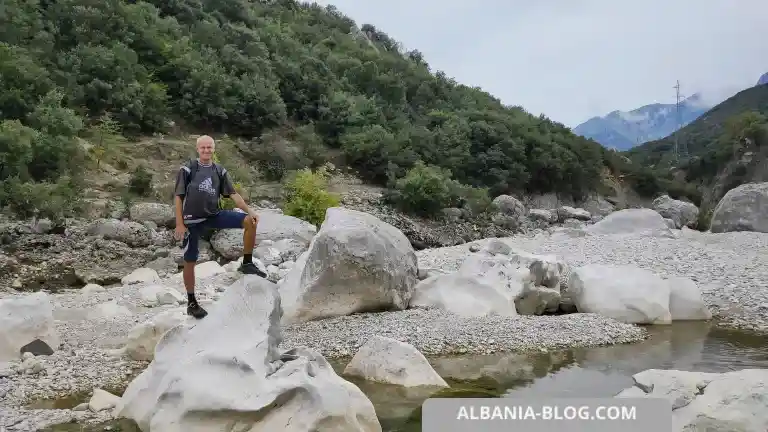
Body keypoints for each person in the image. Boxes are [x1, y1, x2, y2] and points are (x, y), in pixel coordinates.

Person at [173, 135, 266, 319]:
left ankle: (247, 263)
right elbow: (178, 197)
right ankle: (191, 302)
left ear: (214, 149)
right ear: (197, 149)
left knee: (249, 221)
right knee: (190, 261)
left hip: (213, 216)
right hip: (191, 221)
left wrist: (250, 210)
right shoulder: (188, 169)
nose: (206, 150)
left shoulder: (219, 170)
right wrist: (179, 223)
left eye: (210, 147)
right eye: (203, 148)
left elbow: (233, 194)